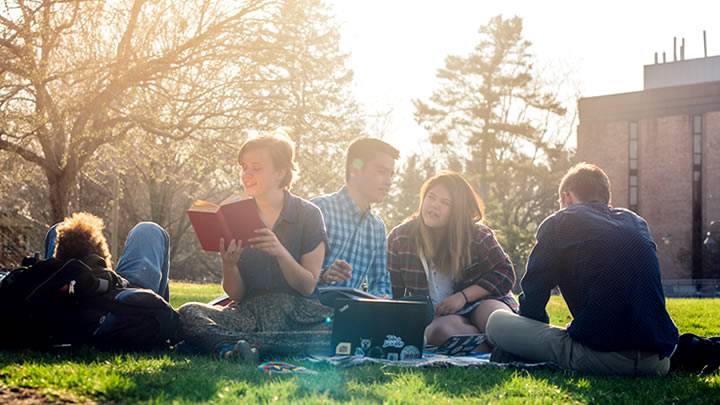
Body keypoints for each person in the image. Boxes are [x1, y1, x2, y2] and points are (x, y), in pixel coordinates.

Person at [485, 163, 679, 375]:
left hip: (599, 355)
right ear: (606, 200)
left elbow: (534, 291)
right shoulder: (636, 222)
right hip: (659, 361)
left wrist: (532, 333)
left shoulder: (559, 222)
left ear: (566, 197)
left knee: (496, 321)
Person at [178, 133, 332, 360]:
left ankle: (241, 346)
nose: (246, 175)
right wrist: (228, 264)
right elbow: (237, 294)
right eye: (244, 167)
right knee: (189, 311)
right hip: (249, 314)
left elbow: (307, 286)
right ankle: (231, 351)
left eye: (256, 168)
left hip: (296, 314)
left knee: (338, 326)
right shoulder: (235, 215)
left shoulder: (308, 214)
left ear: (280, 172)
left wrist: (280, 252)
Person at [387, 171, 517, 350]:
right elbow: (394, 290)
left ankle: (508, 340)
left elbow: (505, 273)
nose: (434, 206)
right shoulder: (400, 237)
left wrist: (463, 297)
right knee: (439, 332)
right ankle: (502, 348)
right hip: (441, 316)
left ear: (457, 210)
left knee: (496, 321)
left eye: (445, 203)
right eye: (431, 197)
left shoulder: (477, 235)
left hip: (483, 302)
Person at [312, 138, 399, 297]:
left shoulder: (377, 228)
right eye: (381, 171)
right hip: (308, 311)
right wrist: (324, 275)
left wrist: (382, 298)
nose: (389, 181)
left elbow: (381, 283)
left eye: (391, 174)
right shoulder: (319, 210)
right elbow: (291, 272)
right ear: (355, 169)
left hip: (350, 314)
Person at [44, 212, 171, 301]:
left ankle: (60, 269)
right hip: (122, 303)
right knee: (148, 231)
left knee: (58, 229)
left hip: (57, 299)